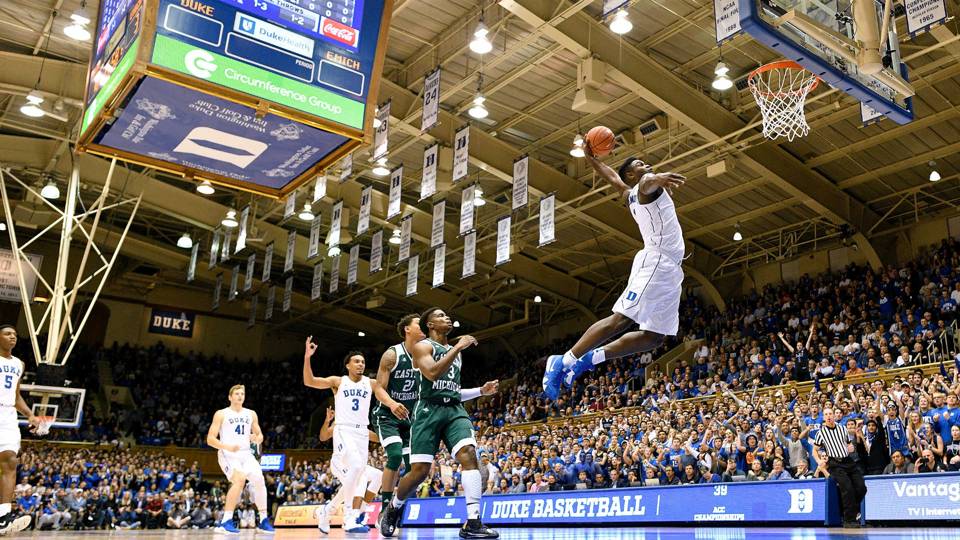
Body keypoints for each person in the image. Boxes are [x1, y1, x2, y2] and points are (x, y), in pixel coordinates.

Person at [543, 150, 686, 399]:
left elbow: (613, 178)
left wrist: (591, 159)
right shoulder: (643, 187)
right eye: (640, 164)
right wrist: (658, 176)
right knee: (621, 320)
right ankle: (563, 360)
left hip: (672, 269)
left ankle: (589, 358)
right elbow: (646, 182)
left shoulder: (629, 193)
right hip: (656, 261)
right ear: (632, 174)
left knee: (654, 337)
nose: (647, 163)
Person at [378, 307, 498, 539]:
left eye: (447, 315)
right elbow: (432, 373)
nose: (447, 318)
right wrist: (458, 347)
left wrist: (480, 391)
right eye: (441, 316)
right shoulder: (422, 347)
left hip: (453, 410)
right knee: (419, 473)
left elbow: (452, 391)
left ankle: (472, 522)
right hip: (427, 411)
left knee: (469, 455)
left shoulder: (455, 353)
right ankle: (394, 506)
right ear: (430, 325)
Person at [302, 339, 408, 534]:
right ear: (348, 365)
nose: (361, 364)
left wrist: (392, 404)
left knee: (373, 475)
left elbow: (383, 395)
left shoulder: (371, 383)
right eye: (357, 361)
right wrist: (307, 358)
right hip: (343, 430)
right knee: (358, 470)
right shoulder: (338, 381)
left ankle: (329, 510)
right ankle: (350, 517)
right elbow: (310, 381)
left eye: (363, 361)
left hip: (361, 432)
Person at [205, 384, 274, 535]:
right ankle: (225, 521)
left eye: (242, 393)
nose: (240, 396)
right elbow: (210, 439)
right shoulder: (221, 414)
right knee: (240, 479)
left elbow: (260, 436)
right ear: (230, 397)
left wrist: (257, 438)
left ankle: (263, 520)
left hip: (246, 454)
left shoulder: (251, 414)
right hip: (227, 453)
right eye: (236, 393)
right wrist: (227, 447)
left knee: (259, 480)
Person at [0, 324, 41, 535]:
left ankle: (3, 516)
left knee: (10, 460)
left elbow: (16, 396)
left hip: (7, 415)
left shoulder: (19, 364)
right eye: (7, 334)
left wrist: (30, 415)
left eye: (15, 334)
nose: (12, 337)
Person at [316, 407, 383, 534]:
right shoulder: (339, 423)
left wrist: (389, 435)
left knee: (378, 475)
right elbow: (323, 437)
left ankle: (336, 510)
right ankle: (351, 517)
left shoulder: (359, 424)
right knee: (360, 479)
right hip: (340, 463)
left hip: (356, 464)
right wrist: (327, 421)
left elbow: (373, 437)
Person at [814, 407, 867, 528]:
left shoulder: (843, 429)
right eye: (826, 414)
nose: (828, 416)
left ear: (834, 416)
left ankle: (851, 510)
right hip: (835, 463)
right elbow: (814, 451)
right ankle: (849, 520)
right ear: (824, 417)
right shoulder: (821, 433)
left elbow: (849, 445)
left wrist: (851, 448)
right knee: (847, 488)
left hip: (848, 461)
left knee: (861, 487)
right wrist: (819, 461)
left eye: (830, 414)